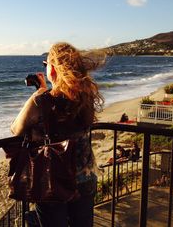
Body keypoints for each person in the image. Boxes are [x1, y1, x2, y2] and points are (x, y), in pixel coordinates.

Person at [10, 42, 106, 227]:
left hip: (53, 181)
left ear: (53, 69)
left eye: (46, 65)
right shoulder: (85, 97)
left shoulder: (41, 100)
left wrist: (40, 91)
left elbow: (16, 129)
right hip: (85, 178)